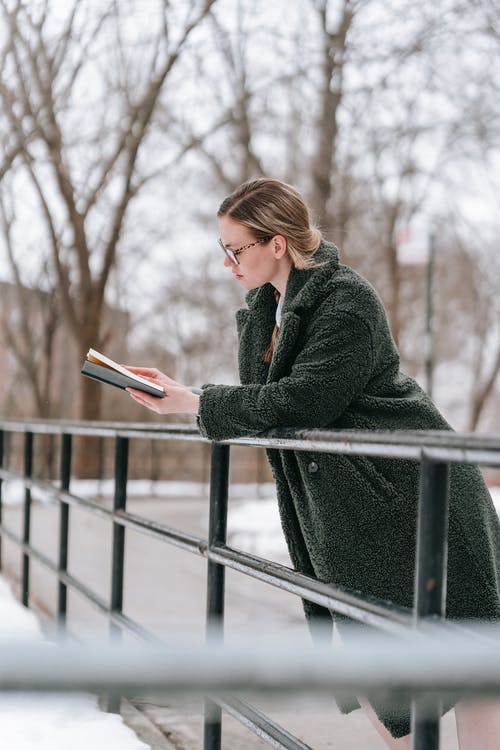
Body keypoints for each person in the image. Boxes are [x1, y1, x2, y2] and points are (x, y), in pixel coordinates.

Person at [125, 177, 500, 748]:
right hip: (354, 514)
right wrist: (184, 396)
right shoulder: (263, 310)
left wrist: (196, 403)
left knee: (473, 666)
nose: (227, 262)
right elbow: (268, 407)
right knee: (377, 669)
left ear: (276, 243)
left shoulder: (347, 299)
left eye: (235, 248)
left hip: (421, 495)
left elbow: (303, 401)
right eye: (223, 250)